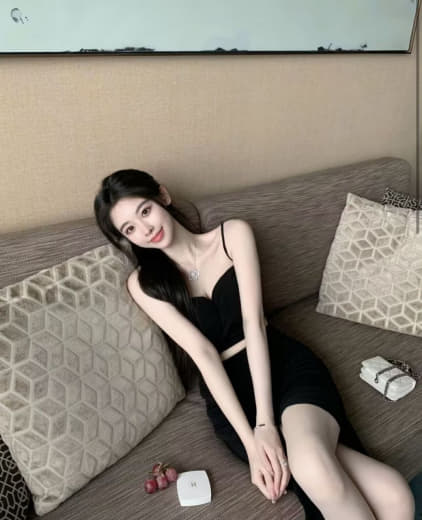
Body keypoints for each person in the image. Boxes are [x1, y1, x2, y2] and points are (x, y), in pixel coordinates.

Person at [94, 169, 415, 520]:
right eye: (130, 229)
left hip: (281, 365)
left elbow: (254, 326)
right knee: (394, 495)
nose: (145, 229)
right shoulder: (144, 285)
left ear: (163, 196)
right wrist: (251, 443)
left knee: (310, 463)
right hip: (231, 395)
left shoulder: (233, 235)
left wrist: (266, 424)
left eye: (145, 211)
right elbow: (204, 356)